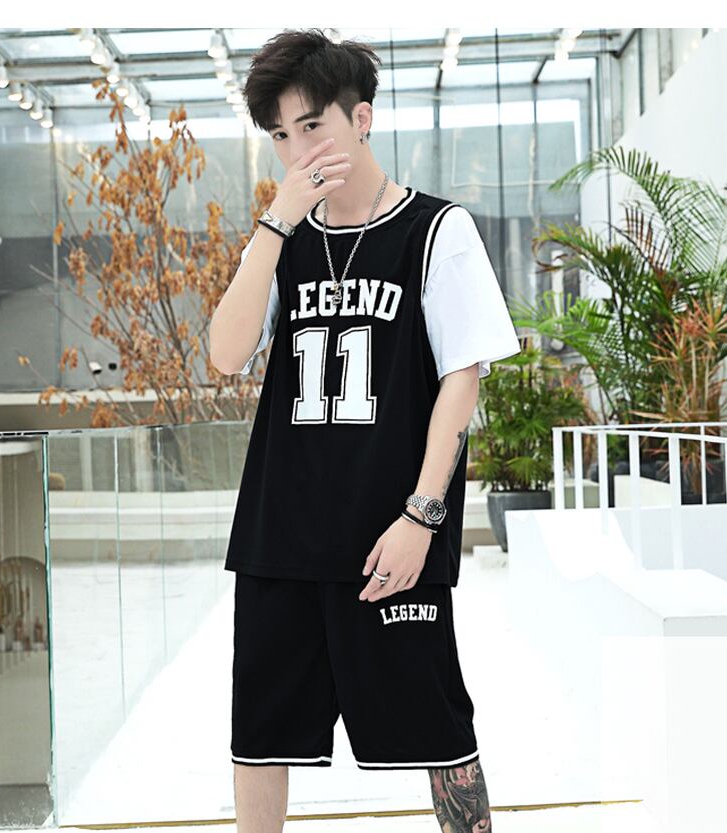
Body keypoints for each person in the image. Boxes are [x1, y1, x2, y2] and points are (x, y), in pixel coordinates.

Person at [210, 28, 520, 833]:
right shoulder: (282, 242)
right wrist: (274, 225)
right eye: (281, 135)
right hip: (279, 537)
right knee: (260, 738)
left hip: (390, 538)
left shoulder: (436, 230)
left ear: (362, 118)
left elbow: (460, 382)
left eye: (312, 126)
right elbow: (224, 354)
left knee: (441, 728)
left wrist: (423, 514)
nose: (297, 151)